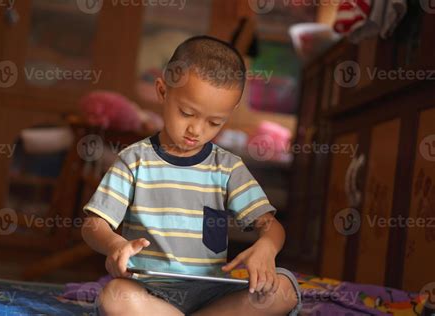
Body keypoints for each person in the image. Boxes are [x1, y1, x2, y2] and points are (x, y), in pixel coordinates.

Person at [81, 35, 301, 316]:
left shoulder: (228, 168)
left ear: (229, 114)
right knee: (115, 296)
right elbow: (93, 224)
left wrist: (267, 248)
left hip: (211, 294)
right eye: (186, 113)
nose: (196, 130)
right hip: (149, 291)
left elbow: (270, 225)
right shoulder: (134, 160)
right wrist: (115, 245)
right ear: (163, 91)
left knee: (284, 289)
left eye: (214, 122)